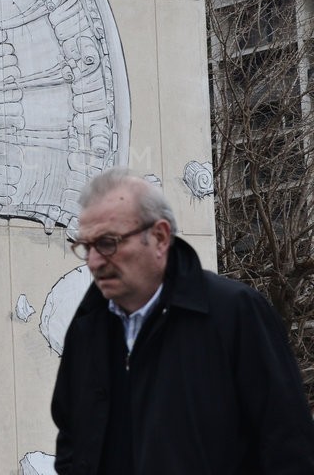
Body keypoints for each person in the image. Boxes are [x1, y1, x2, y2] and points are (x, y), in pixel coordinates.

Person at [51, 167, 314, 474]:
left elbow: (289, 446)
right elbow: (71, 438)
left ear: (160, 237)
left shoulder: (235, 313)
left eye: (108, 243)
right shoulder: (86, 329)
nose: (94, 261)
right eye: (87, 247)